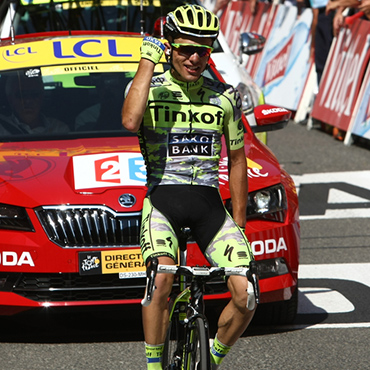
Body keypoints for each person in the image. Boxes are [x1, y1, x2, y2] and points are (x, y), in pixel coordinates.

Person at [121, 5, 255, 370]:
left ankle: (209, 361)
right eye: (184, 49)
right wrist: (147, 63)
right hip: (162, 200)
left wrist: (239, 221)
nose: (194, 58)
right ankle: (153, 368)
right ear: (169, 47)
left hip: (209, 206)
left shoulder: (224, 97)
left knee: (248, 295)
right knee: (162, 278)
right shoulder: (151, 88)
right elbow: (130, 120)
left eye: (203, 51)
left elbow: (239, 159)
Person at [0, 73, 69, 135]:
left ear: (42, 97)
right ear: (10, 99)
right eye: (21, 95)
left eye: (34, 94)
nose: (28, 101)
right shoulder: (2, 129)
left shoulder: (59, 129)